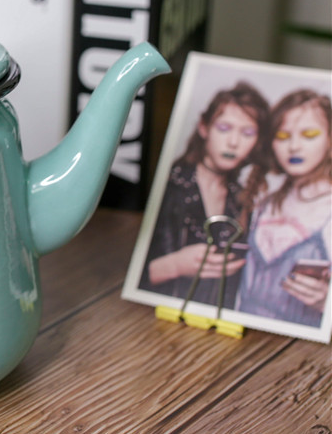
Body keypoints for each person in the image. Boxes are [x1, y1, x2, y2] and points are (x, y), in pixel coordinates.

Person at [141, 82, 270, 309]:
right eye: (224, 128)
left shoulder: (240, 199)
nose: (233, 142)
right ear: (204, 127)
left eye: (247, 133)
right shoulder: (169, 183)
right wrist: (173, 266)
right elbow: (117, 270)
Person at [237, 89, 332, 327]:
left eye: (309, 134)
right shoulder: (262, 203)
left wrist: (327, 304)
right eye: (282, 135)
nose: (294, 146)